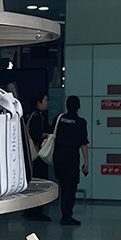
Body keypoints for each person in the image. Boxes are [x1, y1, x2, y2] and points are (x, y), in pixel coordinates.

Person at [51, 95, 90, 224]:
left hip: (58, 157)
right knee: (71, 187)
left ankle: (64, 212)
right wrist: (86, 163)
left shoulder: (59, 119)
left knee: (63, 185)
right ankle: (66, 215)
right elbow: (83, 144)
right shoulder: (80, 122)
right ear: (78, 107)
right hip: (71, 158)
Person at [23, 93, 53, 220]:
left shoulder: (29, 115)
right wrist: (46, 135)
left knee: (31, 182)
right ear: (38, 103)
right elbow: (36, 135)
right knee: (39, 182)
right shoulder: (37, 117)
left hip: (31, 156)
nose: (47, 103)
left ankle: (29, 209)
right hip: (36, 154)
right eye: (45, 101)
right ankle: (36, 210)